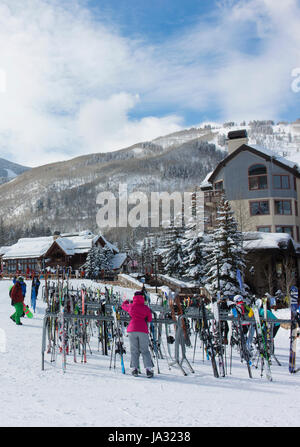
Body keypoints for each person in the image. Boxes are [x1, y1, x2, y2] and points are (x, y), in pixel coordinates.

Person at [121, 290, 154, 378]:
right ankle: (148, 369)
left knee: (134, 350)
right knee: (145, 350)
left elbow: (123, 306)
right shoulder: (145, 307)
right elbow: (150, 319)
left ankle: (135, 368)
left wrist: (126, 301)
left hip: (132, 329)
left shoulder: (131, 306)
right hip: (143, 329)